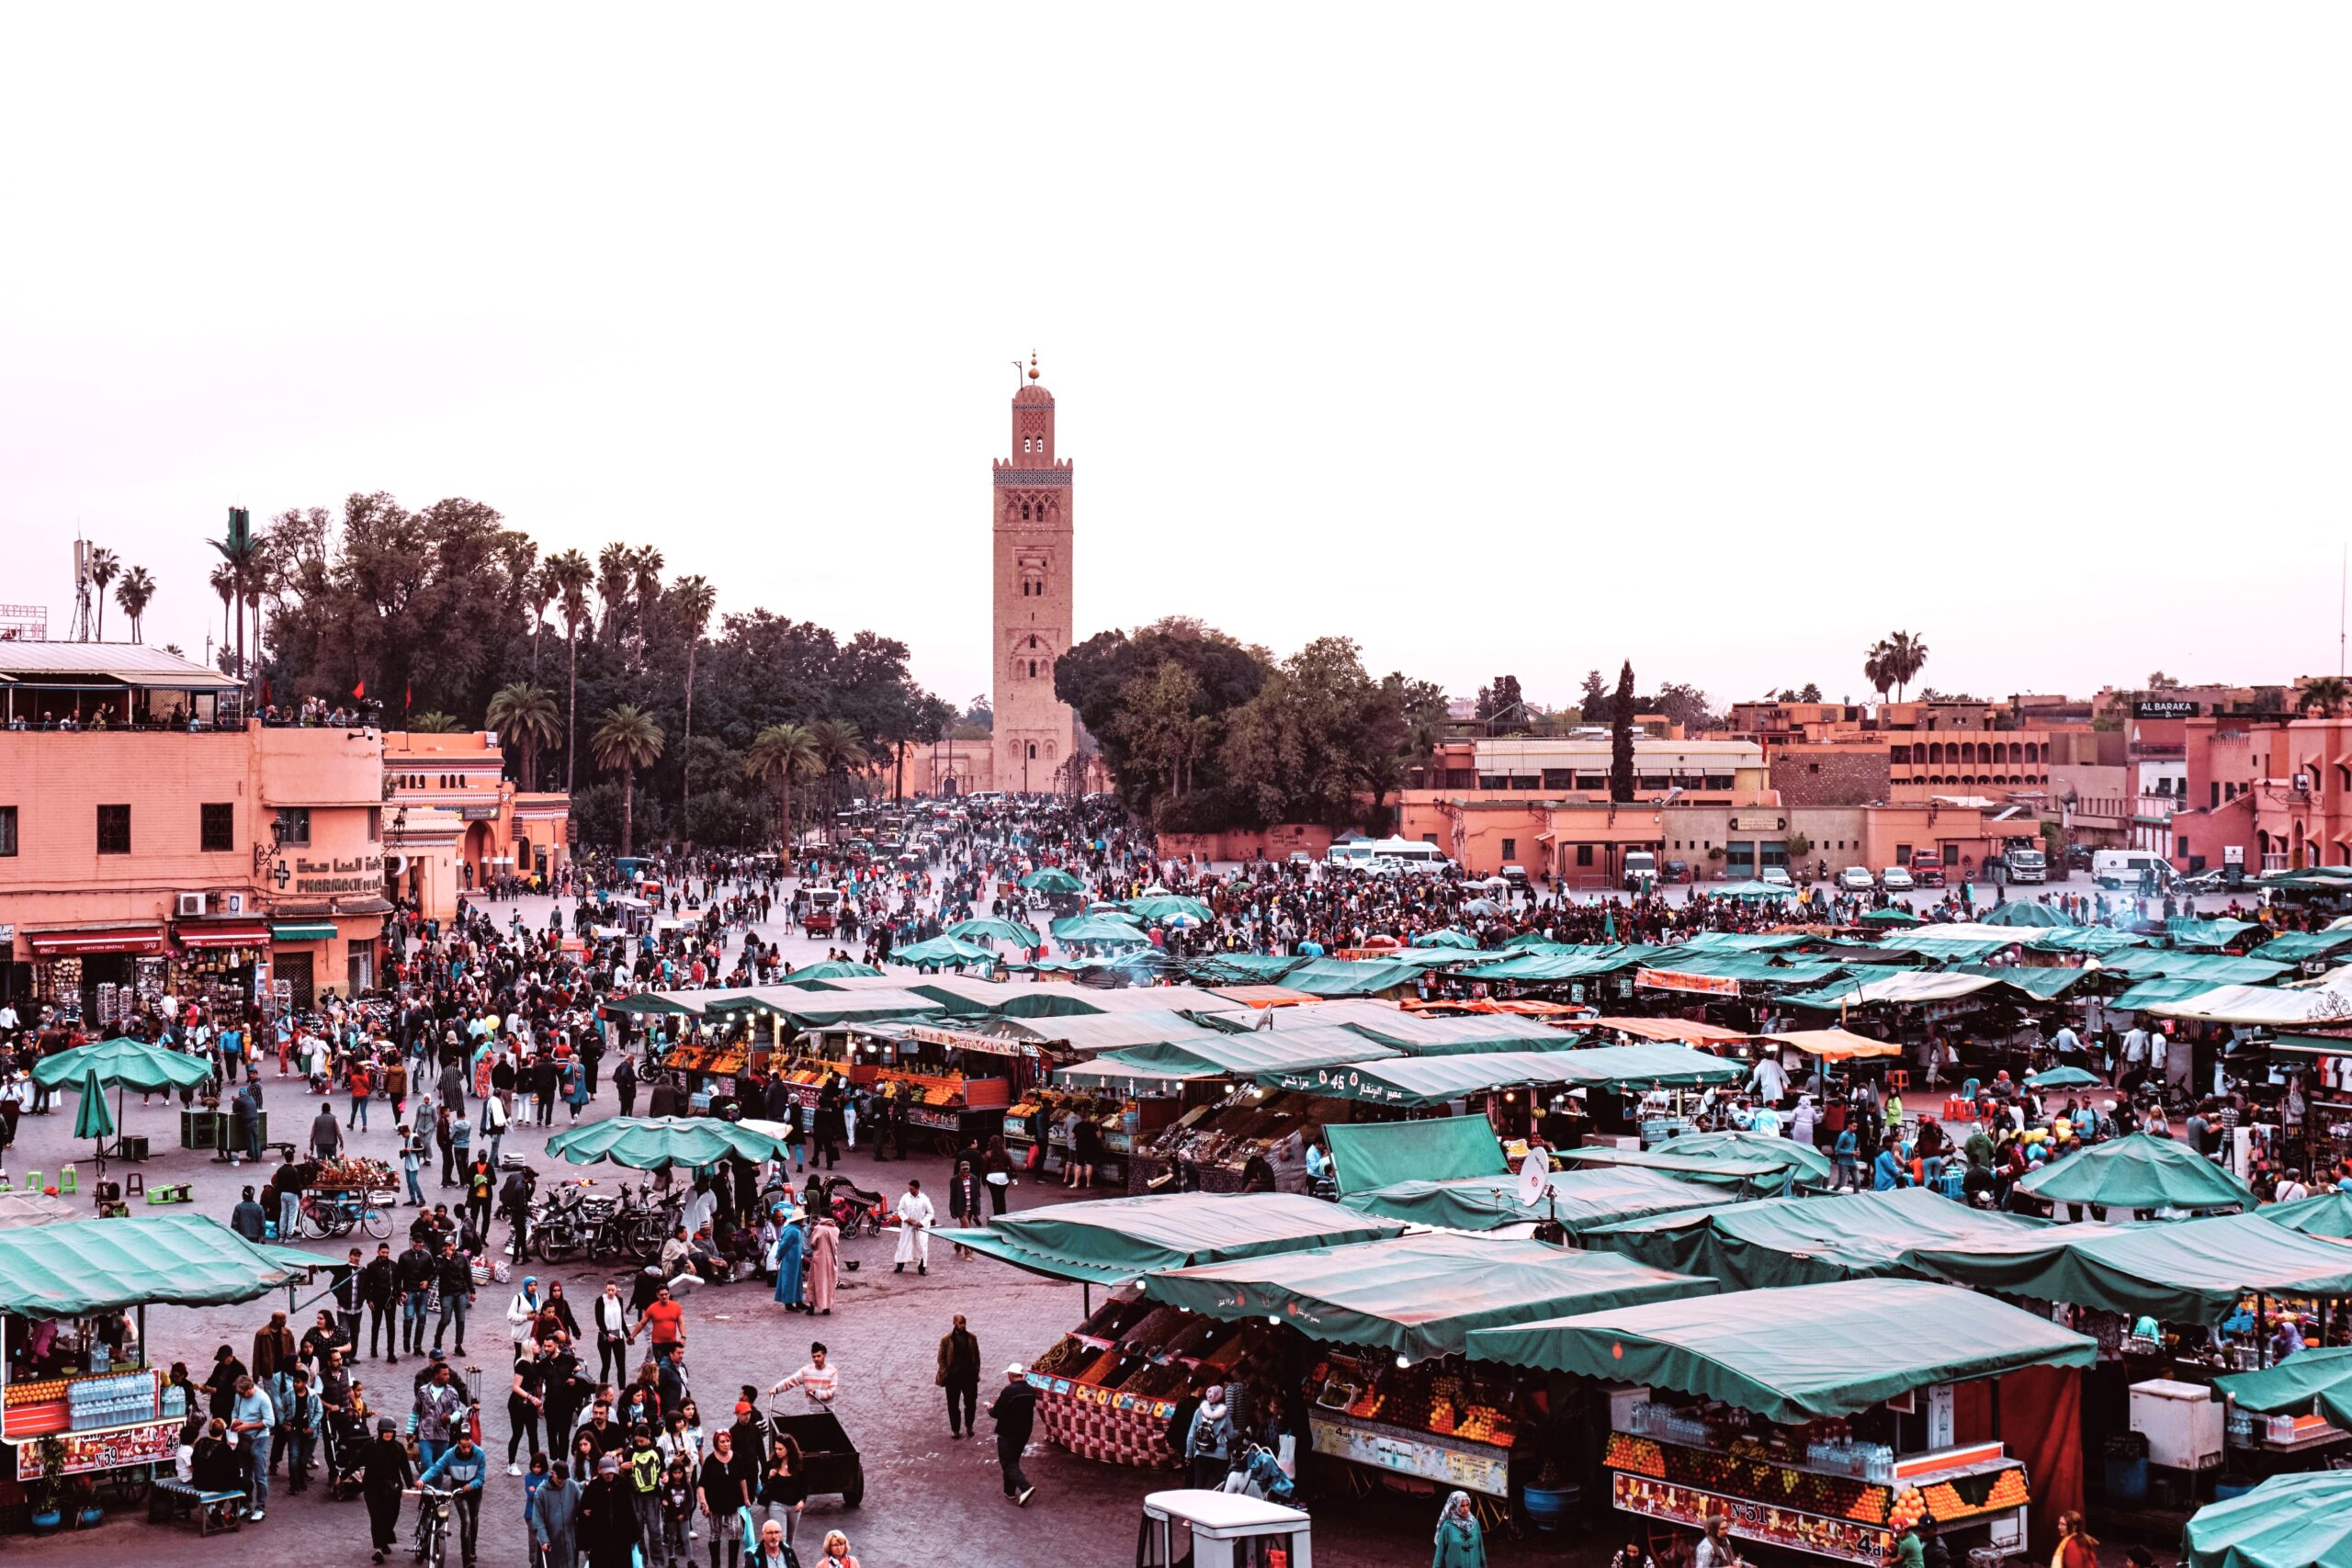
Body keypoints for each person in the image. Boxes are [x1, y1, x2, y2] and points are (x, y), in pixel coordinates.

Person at [419, 1429, 490, 1568]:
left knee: (474, 1519)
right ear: (458, 1444)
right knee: (466, 1521)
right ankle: (466, 1561)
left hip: (474, 1490)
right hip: (458, 1489)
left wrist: (472, 1485)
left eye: (469, 1446)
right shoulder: (450, 1454)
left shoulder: (480, 1454)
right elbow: (436, 1468)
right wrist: (422, 1479)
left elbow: (481, 1478)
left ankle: (471, 1550)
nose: (467, 1450)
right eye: (464, 1447)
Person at [360, 1416, 415, 1562]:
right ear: (380, 1432)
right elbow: (356, 1461)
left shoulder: (398, 1448)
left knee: (391, 1517)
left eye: (390, 1432)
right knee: (376, 1518)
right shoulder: (370, 1446)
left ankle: (384, 1541)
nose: (388, 1434)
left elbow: (405, 1468)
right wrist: (343, 1475)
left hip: (392, 1489)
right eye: (385, 1432)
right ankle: (378, 1549)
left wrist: (411, 1485)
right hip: (372, 1489)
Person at [985, 1361, 1038, 1506]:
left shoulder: (1009, 1391)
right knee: (1013, 1461)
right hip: (1024, 1432)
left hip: (1008, 1432)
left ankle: (1025, 1488)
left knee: (1007, 1463)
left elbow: (996, 1413)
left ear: (1010, 1375)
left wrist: (991, 1408)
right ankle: (1009, 1492)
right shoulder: (1031, 1391)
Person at [581, 1453, 643, 1568]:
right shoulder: (592, 1487)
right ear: (599, 1471)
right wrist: (586, 1541)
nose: (609, 1476)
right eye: (606, 1473)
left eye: (611, 1472)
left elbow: (629, 1510)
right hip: (599, 1537)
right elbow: (584, 1513)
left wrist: (634, 1535)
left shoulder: (622, 1484)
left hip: (621, 1536)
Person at [700, 1427, 752, 1567]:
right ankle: (715, 1564)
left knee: (735, 1531)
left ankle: (732, 1565)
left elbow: (742, 1479)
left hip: (732, 1502)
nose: (726, 1444)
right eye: (722, 1441)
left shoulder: (737, 1458)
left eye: (728, 1441)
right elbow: (701, 1484)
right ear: (716, 1443)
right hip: (714, 1503)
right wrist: (704, 1502)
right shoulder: (710, 1461)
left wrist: (746, 1498)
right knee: (715, 1533)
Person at [230, 1373, 277, 1518]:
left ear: (251, 1387)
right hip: (243, 1437)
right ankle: (246, 1504)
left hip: (259, 1436)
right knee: (244, 1473)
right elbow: (235, 1411)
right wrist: (235, 1420)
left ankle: (260, 1507)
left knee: (259, 1473)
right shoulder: (239, 1396)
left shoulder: (262, 1398)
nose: (243, 1396)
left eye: (245, 1393)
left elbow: (270, 1421)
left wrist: (248, 1426)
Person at [533, 1458, 584, 1568]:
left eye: (564, 1478)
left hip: (569, 1539)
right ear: (553, 1473)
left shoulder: (571, 1485)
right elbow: (538, 1519)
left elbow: (581, 1503)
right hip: (552, 1540)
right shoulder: (541, 1492)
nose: (562, 1481)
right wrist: (544, 1540)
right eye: (559, 1478)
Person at [937, 1314, 981, 1438]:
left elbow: (976, 1356)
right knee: (953, 1404)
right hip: (953, 1377)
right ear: (954, 1323)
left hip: (969, 1376)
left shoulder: (971, 1338)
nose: (963, 1325)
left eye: (964, 1323)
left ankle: (969, 1425)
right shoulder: (946, 1339)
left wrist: (976, 1370)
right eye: (960, 1323)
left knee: (971, 1402)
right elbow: (941, 1358)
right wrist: (945, 1372)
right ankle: (955, 1429)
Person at [1185, 1382, 1235, 1490]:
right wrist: (1240, 1433)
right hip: (1220, 1456)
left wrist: (1189, 1454)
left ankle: (1195, 1505)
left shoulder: (1199, 1412)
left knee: (1199, 1485)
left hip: (1201, 1453)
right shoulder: (1225, 1415)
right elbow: (1231, 1435)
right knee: (1219, 1487)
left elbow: (1191, 1436)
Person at [769, 1344, 837, 1407]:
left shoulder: (832, 1371)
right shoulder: (806, 1371)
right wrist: (776, 1389)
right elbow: (790, 1382)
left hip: (828, 1413)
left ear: (824, 1355)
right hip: (813, 1412)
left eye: (819, 1356)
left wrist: (815, 1393)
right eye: (814, 1356)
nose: (816, 1359)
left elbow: (830, 1393)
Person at [1432, 1489, 1487, 1568]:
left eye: (1467, 1505)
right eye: (1462, 1505)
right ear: (1455, 1506)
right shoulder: (1447, 1527)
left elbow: (1481, 1551)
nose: (1466, 1509)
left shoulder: (1475, 1524)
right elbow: (1438, 1556)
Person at [891, 1179, 933, 1276]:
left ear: (917, 1188)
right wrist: (906, 1219)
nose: (910, 1190)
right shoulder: (905, 1197)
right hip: (907, 1227)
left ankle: (922, 1268)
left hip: (921, 1228)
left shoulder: (925, 1199)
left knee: (921, 1246)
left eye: (912, 1189)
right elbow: (900, 1210)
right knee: (904, 1244)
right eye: (909, 1188)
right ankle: (900, 1266)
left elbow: (931, 1213)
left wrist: (922, 1223)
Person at [771, 1212, 807, 1314]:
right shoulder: (792, 1231)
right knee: (790, 1281)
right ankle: (789, 1303)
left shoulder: (795, 1230)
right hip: (790, 1259)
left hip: (795, 1259)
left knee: (797, 1280)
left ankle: (798, 1301)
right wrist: (779, 1256)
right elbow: (783, 1245)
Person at [805, 1212, 839, 1315]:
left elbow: (812, 1244)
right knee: (829, 1283)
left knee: (814, 1283)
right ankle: (826, 1308)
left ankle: (811, 1308)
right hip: (831, 1260)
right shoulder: (836, 1230)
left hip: (819, 1260)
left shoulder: (818, 1229)